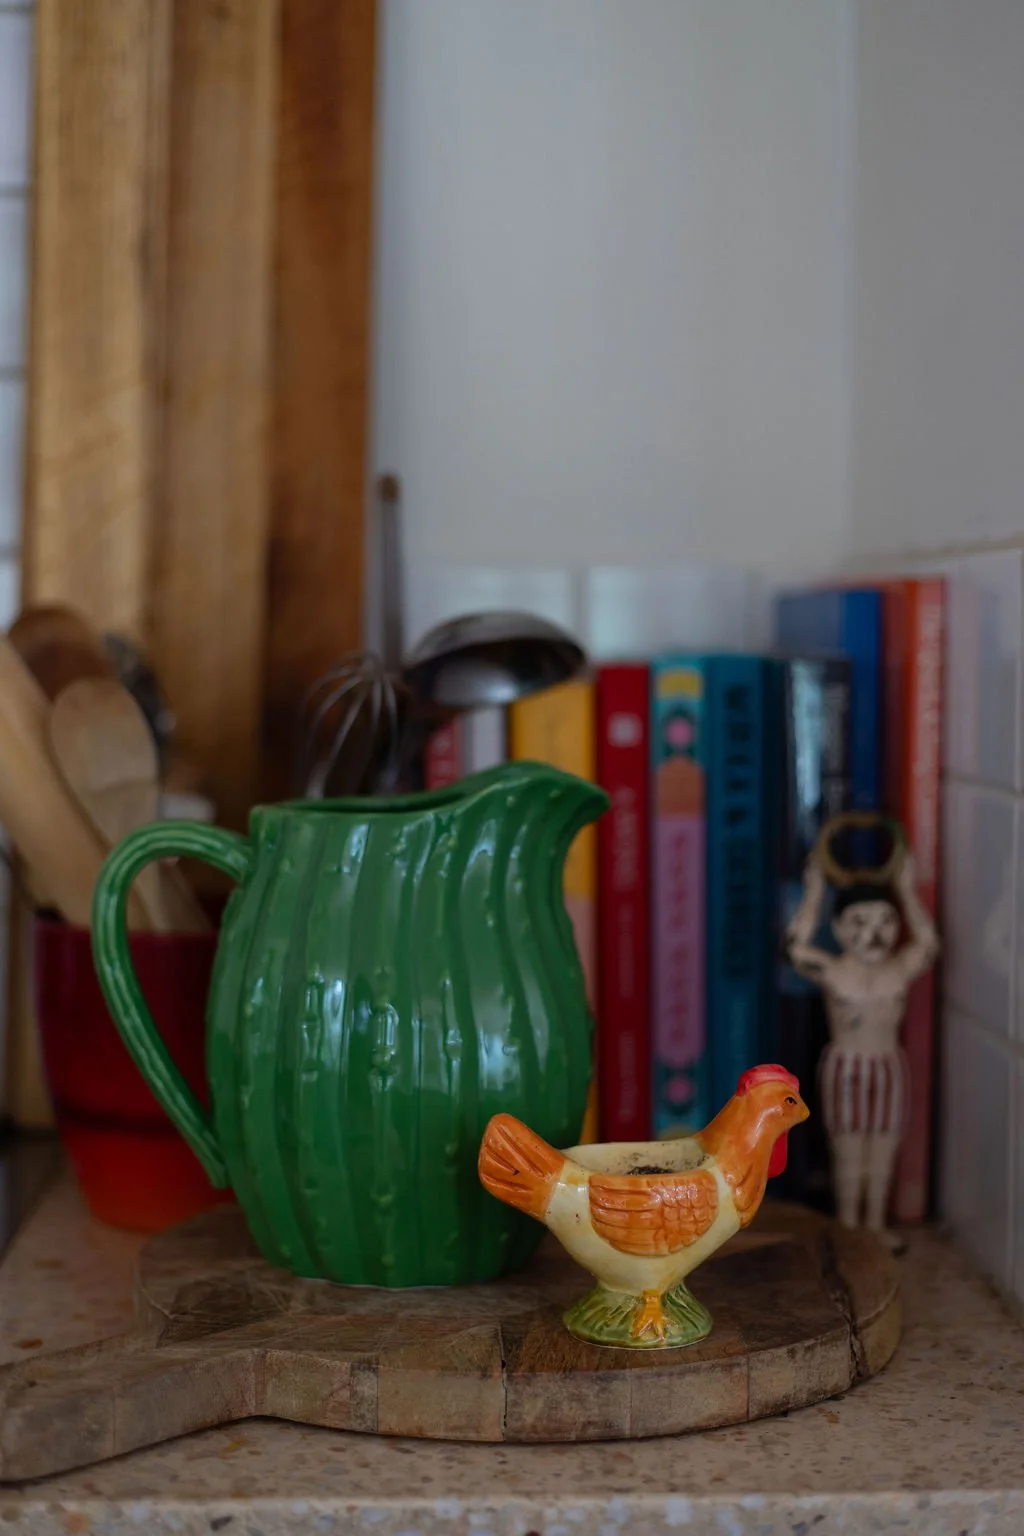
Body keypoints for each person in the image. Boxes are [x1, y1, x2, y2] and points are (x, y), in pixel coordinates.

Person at [785, 849, 939, 1241]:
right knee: (848, 1149)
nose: (873, 933)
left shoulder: (898, 969)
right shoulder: (834, 971)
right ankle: (850, 1227)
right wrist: (815, 893)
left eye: (885, 921)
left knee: (885, 1147)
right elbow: (794, 949)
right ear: (838, 928)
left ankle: (874, 1225)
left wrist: (906, 892)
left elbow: (928, 944)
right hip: (846, 1068)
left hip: (888, 1066)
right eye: (859, 922)